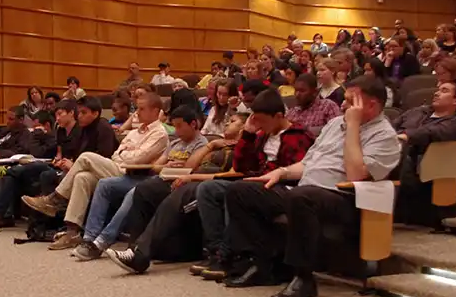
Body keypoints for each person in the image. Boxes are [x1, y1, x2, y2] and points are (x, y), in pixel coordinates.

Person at [176, 77, 400, 297]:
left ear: (371, 105)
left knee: (303, 196)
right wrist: (282, 172)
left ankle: (303, 277)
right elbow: (307, 163)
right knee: (241, 191)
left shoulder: (385, 136)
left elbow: (355, 175)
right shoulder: (334, 125)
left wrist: (353, 126)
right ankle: (263, 265)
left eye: (351, 101)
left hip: (346, 198)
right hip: (305, 190)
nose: (343, 106)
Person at [111, 88, 315, 280]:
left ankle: (221, 256)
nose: (259, 126)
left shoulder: (298, 136)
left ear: (279, 116)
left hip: (274, 187)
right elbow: (242, 165)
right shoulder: (261, 135)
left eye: (262, 121)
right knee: (198, 189)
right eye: (256, 121)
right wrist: (249, 134)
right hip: (248, 182)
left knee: (202, 189)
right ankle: (212, 253)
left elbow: (295, 173)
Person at [21, 91, 168, 251]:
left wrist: (125, 154)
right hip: (117, 167)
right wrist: (126, 154)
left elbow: (135, 160)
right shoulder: (134, 132)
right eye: (137, 109)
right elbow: (117, 154)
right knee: (82, 177)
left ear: (155, 111)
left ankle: (55, 199)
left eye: (141, 109)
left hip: (134, 174)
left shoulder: (159, 134)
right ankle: (73, 232)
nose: (136, 113)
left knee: (85, 157)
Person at [105, 114, 249, 270]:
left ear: (244, 127)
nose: (227, 123)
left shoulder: (242, 148)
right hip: (194, 178)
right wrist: (211, 146)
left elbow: (232, 174)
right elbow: (192, 165)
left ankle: (140, 255)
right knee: (145, 189)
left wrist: (191, 177)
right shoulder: (218, 144)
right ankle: (133, 248)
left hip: (207, 184)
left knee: (179, 194)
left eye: (233, 122)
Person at [71, 105, 208, 260]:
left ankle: (102, 242)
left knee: (135, 192)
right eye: (174, 126)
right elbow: (156, 167)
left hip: (175, 185)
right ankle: (89, 239)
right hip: (158, 178)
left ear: (193, 124)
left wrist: (171, 167)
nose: (176, 131)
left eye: (179, 126)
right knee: (105, 184)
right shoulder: (175, 142)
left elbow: (191, 168)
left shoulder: (201, 144)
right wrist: (166, 165)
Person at [0, 97, 118, 233]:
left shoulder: (101, 127)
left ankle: (45, 194)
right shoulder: (67, 130)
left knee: (42, 170)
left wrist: (70, 163)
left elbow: (102, 157)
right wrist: (60, 160)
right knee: (21, 174)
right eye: (80, 112)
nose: (80, 116)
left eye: (83, 113)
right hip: (64, 166)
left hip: (89, 169)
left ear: (96, 113)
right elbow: (62, 153)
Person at [394, 81, 456, 225]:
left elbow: (431, 133)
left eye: (444, 90)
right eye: (438, 90)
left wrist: (407, 136)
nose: (436, 93)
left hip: (421, 165)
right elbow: (391, 125)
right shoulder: (416, 112)